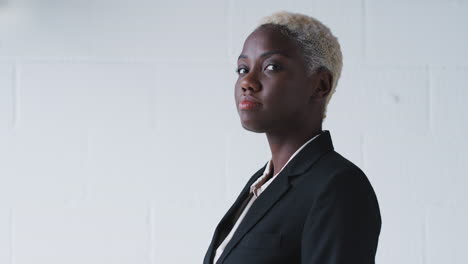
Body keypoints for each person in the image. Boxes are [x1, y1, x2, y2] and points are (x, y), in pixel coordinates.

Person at [203, 10, 381, 264]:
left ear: (320, 85)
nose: (247, 82)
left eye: (271, 67)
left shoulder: (338, 186)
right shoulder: (260, 184)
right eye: (242, 69)